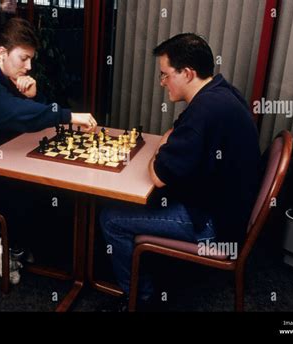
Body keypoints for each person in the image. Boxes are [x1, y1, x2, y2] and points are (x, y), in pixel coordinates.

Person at [99, 33, 261, 311]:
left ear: (187, 73)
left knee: (111, 217)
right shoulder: (221, 92)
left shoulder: (204, 110)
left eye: (165, 75)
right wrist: (165, 143)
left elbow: (159, 175)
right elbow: (175, 133)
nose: (162, 83)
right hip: (225, 209)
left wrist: (159, 151)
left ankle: (140, 299)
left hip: (214, 226)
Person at [0, 18, 97, 284]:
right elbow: (18, 115)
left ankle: (21, 240)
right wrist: (70, 116)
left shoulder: (5, 78)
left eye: (31, 59)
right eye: (24, 58)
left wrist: (33, 97)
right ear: (2, 54)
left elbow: (31, 115)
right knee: (23, 193)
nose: (29, 66)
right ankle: (10, 246)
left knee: (42, 189)